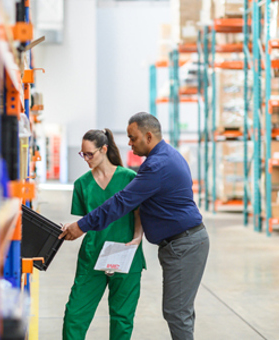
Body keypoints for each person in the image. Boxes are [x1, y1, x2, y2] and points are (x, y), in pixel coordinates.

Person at [60, 112, 209, 340]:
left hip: (183, 244)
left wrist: (81, 225)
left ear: (148, 137)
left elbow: (121, 203)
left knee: (176, 312)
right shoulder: (166, 157)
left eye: (133, 138)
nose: (129, 143)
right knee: (179, 311)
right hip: (177, 244)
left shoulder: (155, 166)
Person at [62, 128, 146, 340]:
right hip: (92, 256)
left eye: (90, 153)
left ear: (104, 149)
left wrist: (137, 238)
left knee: (122, 318)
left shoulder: (129, 178)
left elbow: (139, 214)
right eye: (83, 154)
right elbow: (85, 222)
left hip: (126, 254)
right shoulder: (82, 184)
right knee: (75, 316)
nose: (86, 159)